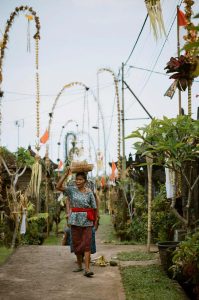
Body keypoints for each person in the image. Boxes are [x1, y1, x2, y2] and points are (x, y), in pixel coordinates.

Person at [56, 168, 97, 277]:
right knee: (77, 243)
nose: (78, 181)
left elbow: (94, 208)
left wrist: (96, 222)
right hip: (74, 220)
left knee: (87, 244)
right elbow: (58, 187)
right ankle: (79, 266)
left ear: (85, 181)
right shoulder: (71, 190)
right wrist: (65, 175)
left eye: (80, 179)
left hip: (87, 221)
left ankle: (87, 269)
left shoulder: (89, 193)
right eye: (77, 179)